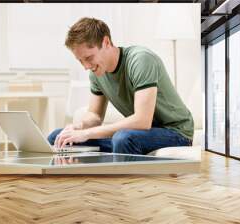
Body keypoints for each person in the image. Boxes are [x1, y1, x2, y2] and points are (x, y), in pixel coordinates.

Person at [48, 17, 194, 155]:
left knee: (123, 138)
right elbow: (95, 115)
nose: (86, 66)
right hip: (137, 134)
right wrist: (78, 127)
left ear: (106, 42)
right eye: (80, 61)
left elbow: (142, 120)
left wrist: (86, 134)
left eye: (88, 58)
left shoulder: (140, 60)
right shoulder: (96, 72)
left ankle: (122, 180)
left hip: (175, 132)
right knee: (58, 137)